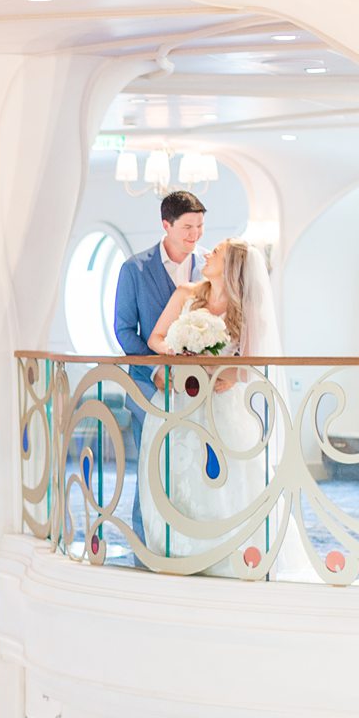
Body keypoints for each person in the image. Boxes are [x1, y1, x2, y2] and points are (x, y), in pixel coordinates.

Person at [141, 238, 297, 577]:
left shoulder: (247, 310)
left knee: (228, 478)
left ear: (231, 267)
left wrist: (227, 373)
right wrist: (176, 350)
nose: (207, 253)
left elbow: (253, 363)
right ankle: (179, 550)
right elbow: (156, 337)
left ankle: (232, 551)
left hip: (223, 405)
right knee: (180, 474)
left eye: (217, 252)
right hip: (180, 399)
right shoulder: (185, 294)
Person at [111, 191, 206, 553]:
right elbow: (124, 331)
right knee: (152, 470)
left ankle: (189, 546)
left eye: (199, 226)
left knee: (192, 472)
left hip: (196, 391)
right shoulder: (134, 269)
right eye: (186, 227)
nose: (194, 234)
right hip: (147, 389)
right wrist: (152, 372)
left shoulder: (208, 268)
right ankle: (146, 546)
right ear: (166, 225)